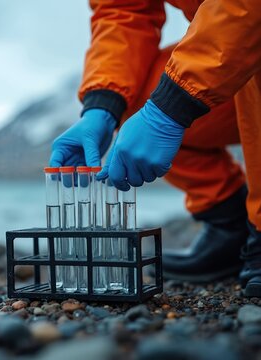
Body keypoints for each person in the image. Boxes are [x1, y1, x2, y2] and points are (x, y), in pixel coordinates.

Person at [49, 0, 261, 296]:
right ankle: (230, 224)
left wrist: (172, 106)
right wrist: (102, 104)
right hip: (228, 54)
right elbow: (123, 10)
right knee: (132, 91)